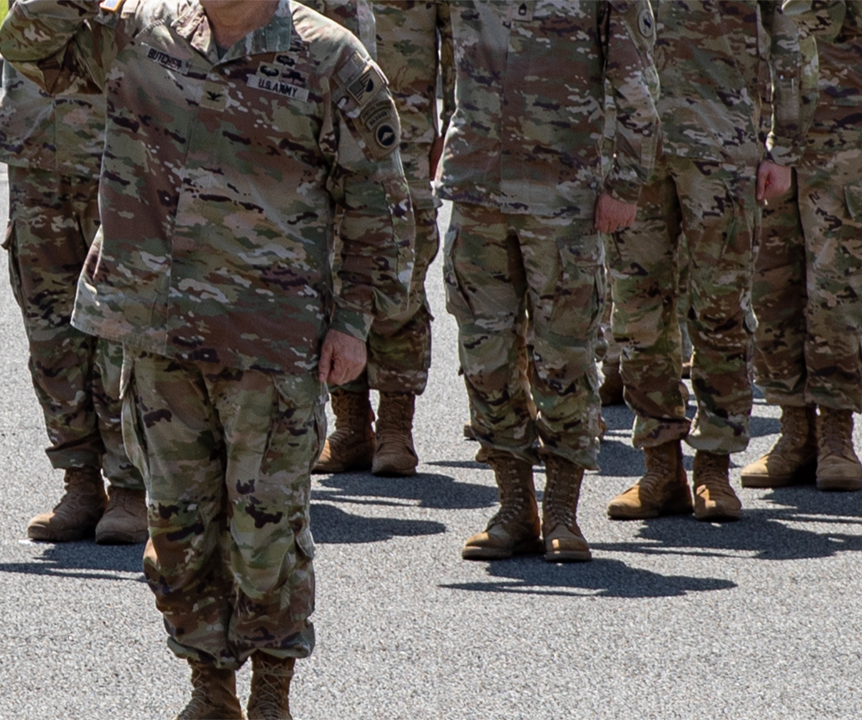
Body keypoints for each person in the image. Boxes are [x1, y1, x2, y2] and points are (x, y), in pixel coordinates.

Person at [0, 0, 410, 710]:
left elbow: (378, 201)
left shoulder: (329, 55)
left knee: (266, 536)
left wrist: (352, 321)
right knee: (179, 532)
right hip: (158, 330)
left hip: (272, 340)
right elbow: (26, 45)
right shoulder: (139, 30)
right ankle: (210, 688)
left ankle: (273, 692)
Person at [442, 0, 658, 563]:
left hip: (562, 194)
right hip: (476, 188)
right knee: (484, 357)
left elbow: (635, 86)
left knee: (564, 358)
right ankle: (514, 505)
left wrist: (626, 183)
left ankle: (563, 508)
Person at [600, 0, 768, 524]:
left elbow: (786, 34)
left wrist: (782, 142)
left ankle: (713, 464)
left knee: (720, 306)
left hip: (721, 138)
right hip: (632, 150)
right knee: (637, 311)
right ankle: (660, 464)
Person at [0, 60, 146, 546]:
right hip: (36, 147)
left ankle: (131, 488)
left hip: (123, 151)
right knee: (49, 331)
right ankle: (80, 484)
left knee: (119, 328)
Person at [744, 0, 862, 493]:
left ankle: (836, 436)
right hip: (760, 125)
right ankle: (793, 431)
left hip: (842, 126)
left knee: (836, 288)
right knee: (771, 285)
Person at [312, 0, 442, 478]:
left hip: (400, 135)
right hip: (321, 134)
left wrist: (450, 128)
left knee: (398, 277)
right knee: (329, 273)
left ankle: (395, 427)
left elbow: (464, 46)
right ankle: (349, 427)